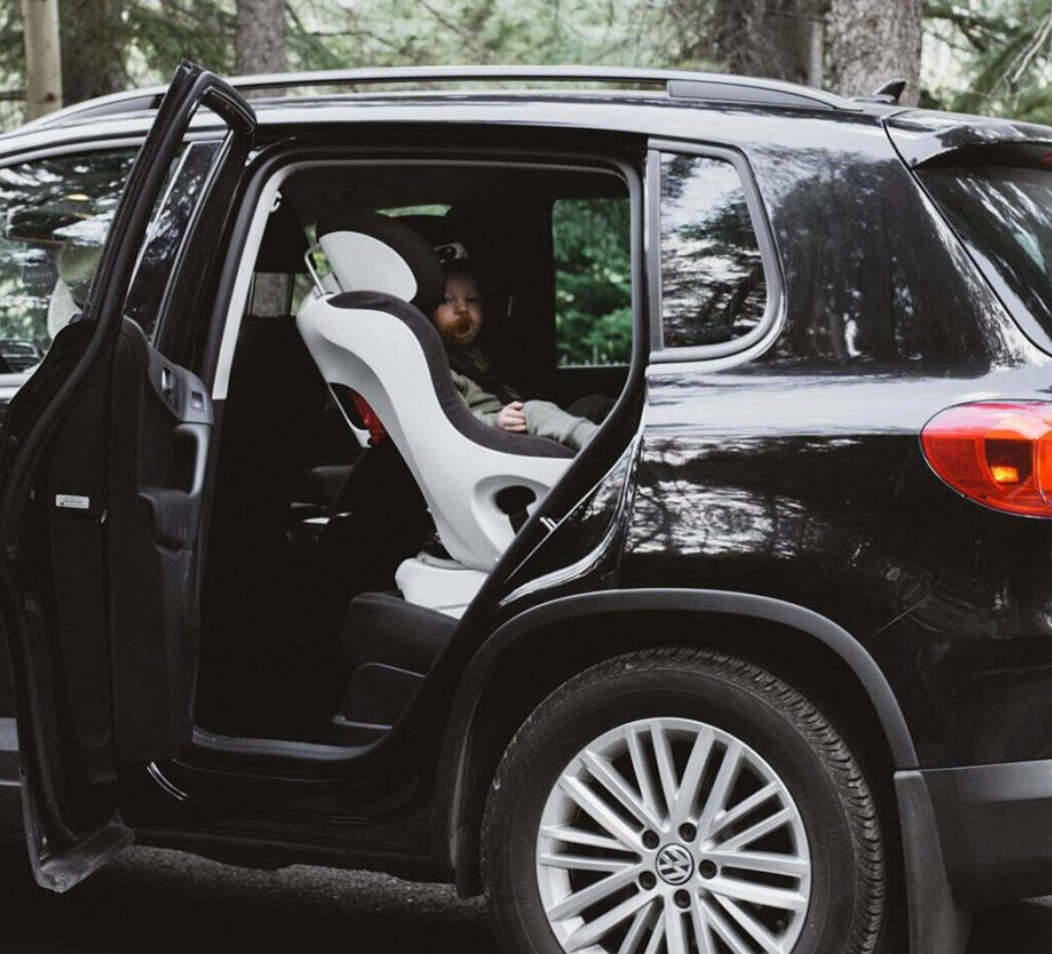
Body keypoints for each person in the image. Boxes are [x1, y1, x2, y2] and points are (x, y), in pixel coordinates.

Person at [431, 262, 598, 452]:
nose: (462, 309)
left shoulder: (478, 355)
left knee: (592, 403)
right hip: (498, 432)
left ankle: (630, 433)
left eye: (472, 300)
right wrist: (497, 421)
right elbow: (455, 422)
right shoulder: (441, 369)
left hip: (519, 418)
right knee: (532, 410)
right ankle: (600, 442)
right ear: (428, 310)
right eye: (447, 301)